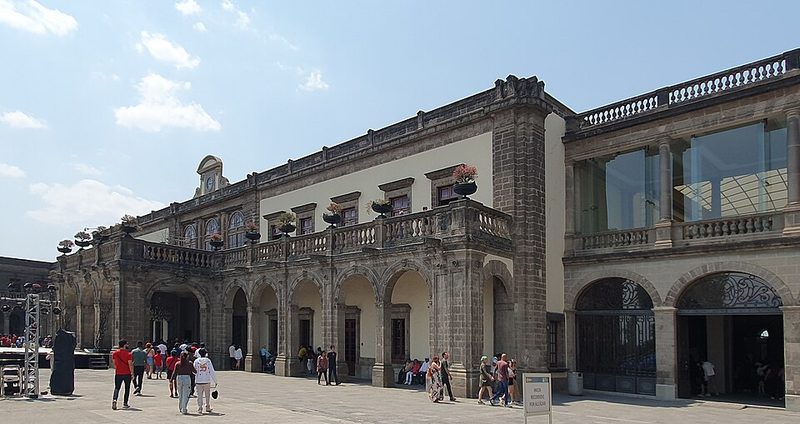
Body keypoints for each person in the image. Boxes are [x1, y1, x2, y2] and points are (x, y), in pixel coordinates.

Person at [193, 348, 217, 415]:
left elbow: (194, 370)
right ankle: (207, 406)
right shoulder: (208, 361)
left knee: (199, 395)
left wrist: (196, 374)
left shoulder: (196, 361)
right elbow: (211, 371)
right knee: (207, 395)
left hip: (198, 380)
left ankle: (200, 408)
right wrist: (215, 380)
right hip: (206, 379)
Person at [111, 340, 134, 410]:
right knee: (127, 388)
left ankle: (115, 400)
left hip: (118, 373)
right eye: (126, 344)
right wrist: (132, 373)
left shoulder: (115, 353)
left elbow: (114, 363)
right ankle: (125, 403)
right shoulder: (128, 354)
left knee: (117, 387)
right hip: (127, 373)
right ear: (124, 345)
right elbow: (130, 364)